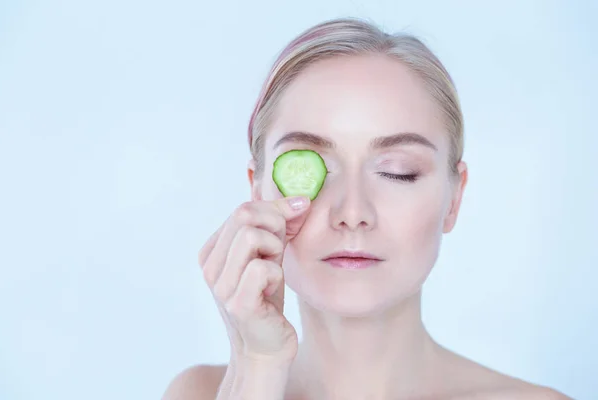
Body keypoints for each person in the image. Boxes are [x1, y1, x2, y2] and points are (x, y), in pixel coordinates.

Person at [162, 17, 571, 400]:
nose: (353, 212)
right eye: (312, 168)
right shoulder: (202, 392)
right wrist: (257, 368)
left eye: (398, 172)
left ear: (455, 199)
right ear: (257, 192)